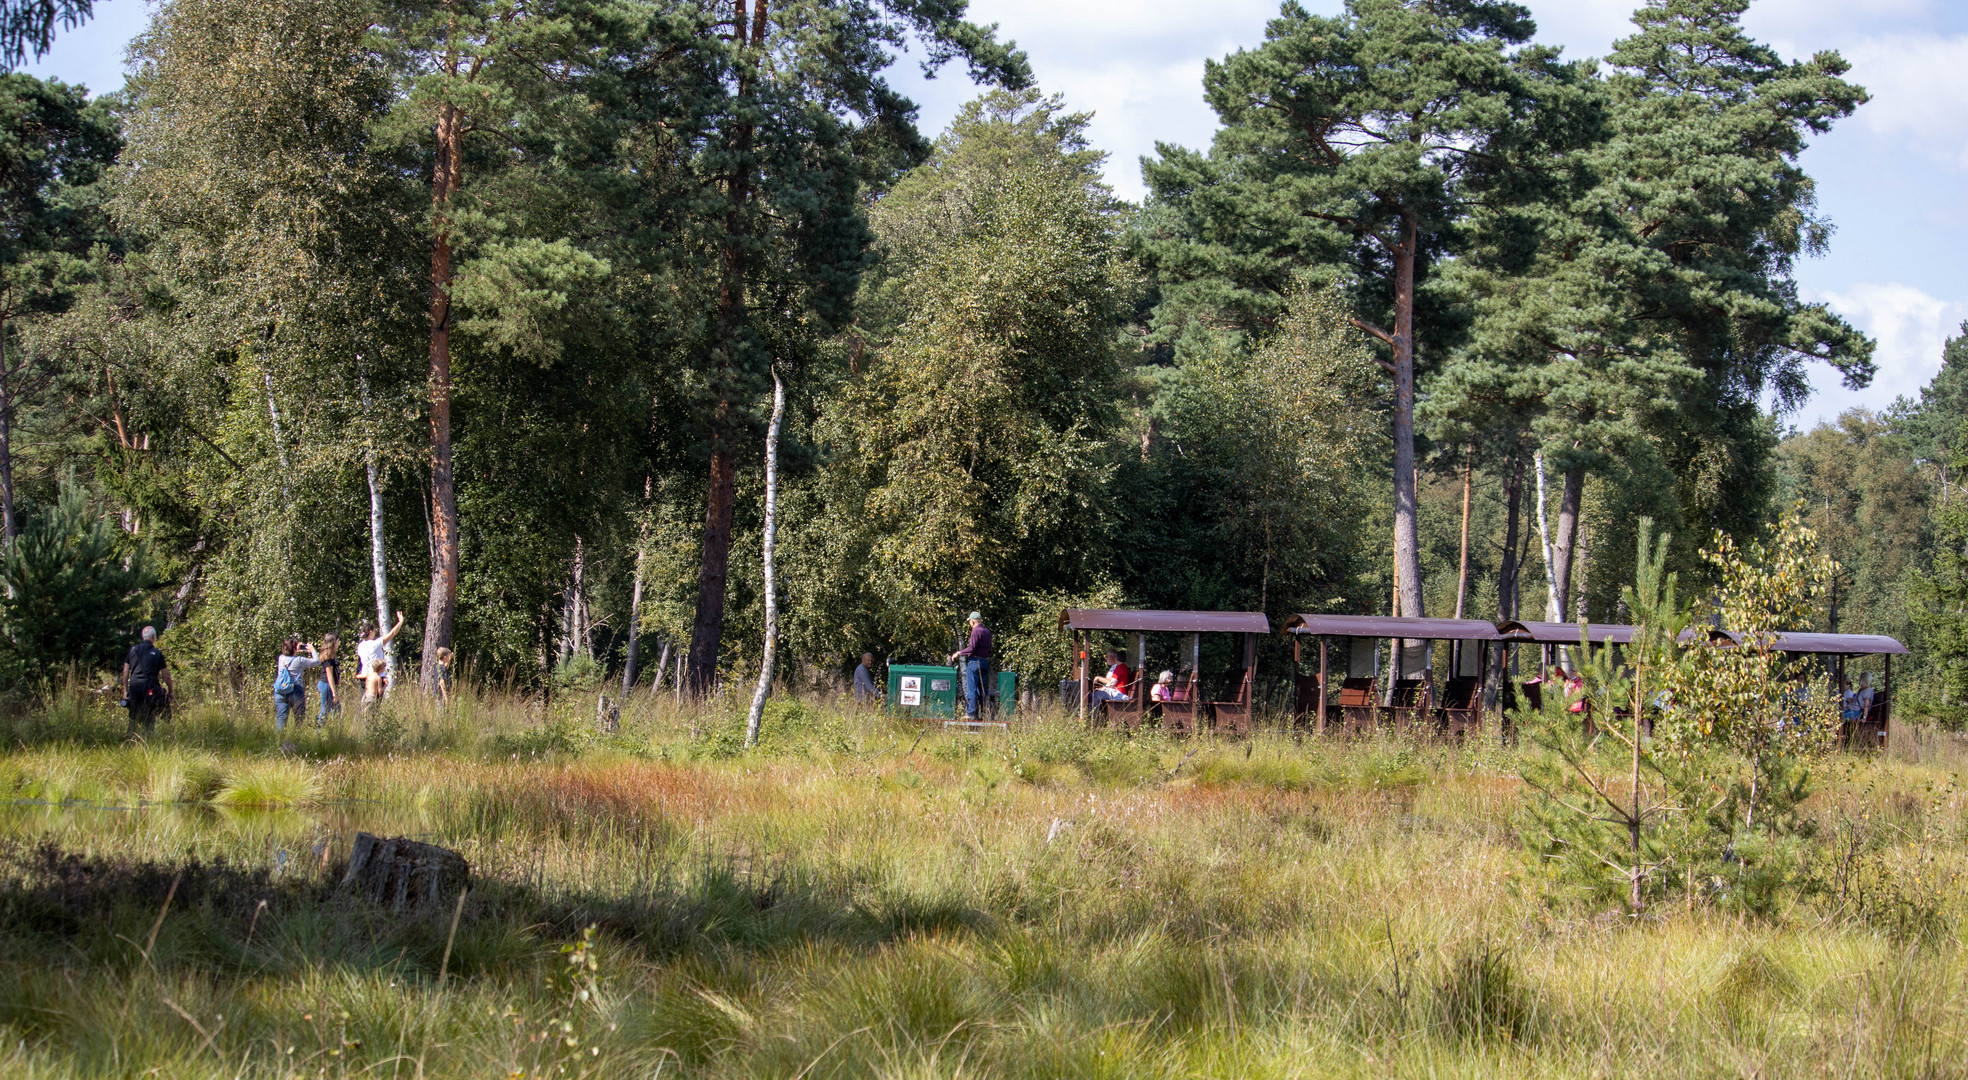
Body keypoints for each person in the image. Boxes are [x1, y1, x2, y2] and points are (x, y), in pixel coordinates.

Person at [121, 626, 173, 738]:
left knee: (133, 716)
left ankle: (130, 740)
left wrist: (125, 691)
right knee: (149, 715)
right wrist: (171, 690)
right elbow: (166, 675)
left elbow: (125, 672)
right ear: (153, 637)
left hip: (134, 687)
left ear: (143, 637)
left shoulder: (132, 650)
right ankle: (148, 740)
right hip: (150, 688)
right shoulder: (157, 653)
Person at [946, 611, 992, 719]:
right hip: (985, 662)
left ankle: (971, 714)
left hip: (975, 662)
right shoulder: (987, 632)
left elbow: (972, 648)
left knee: (971, 689)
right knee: (982, 690)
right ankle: (984, 713)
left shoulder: (976, 631)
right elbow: (989, 649)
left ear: (972, 621)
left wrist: (959, 653)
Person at [274, 637, 324, 732]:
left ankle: (279, 741)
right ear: (294, 649)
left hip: (280, 691)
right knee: (299, 718)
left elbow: (289, 654)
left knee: (281, 718)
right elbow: (316, 662)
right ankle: (296, 738)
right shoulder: (299, 660)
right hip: (295, 691)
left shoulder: (281, 659)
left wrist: (295, 649)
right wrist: (312, 650)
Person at [356, 610, 407, 702]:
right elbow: (392, 633)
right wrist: (401, 621)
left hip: (364, 677)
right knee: (375, 704)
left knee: (365, 702)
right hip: (376, 677)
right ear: (371, 631)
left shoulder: (360, 646)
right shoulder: (376, 644)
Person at [316, 633, 343, 727]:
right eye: (337, 641)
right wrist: (334, 692)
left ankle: (334, 730)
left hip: (329, 685)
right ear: (333, 642)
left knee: (337, 709)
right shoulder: (328, 657)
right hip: (327, 685)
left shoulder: (332, 655)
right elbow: (329, 675)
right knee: (325, 709)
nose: (338, 643)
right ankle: (320, 730)